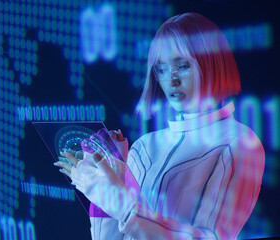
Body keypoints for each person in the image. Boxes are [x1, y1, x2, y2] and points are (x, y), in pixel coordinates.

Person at [54, 12, 265, 240]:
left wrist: (117, 200)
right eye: (161, 69)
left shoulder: (240, 143)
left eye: (183, 65)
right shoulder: (145, 145)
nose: (171, 80)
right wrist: (107, 185)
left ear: (212, 62)